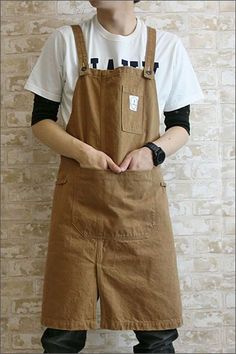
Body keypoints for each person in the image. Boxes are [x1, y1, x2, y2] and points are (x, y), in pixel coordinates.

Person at [24, 1, 204, 353]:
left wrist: (152, 153)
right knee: (62, 333)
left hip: (141, 207)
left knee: (157, 333)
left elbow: (181, 126)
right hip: (80, 205)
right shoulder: (65, 41)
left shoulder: (165, 46)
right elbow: (41, 121)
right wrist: (83, 153)